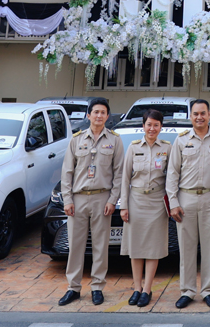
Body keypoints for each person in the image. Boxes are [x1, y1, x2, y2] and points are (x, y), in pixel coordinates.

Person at [166, 98, 210, 309]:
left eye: (203, 113)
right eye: (195, 114)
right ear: (190, 116)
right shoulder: (181, 140)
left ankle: (208, 291)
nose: (199, 117)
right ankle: (187, 290)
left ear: (209, 114)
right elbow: (172, 174)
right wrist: (173, 202)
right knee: (186, 247)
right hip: (186, 198)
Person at [58, 98, 124, 306]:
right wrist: (67, 200)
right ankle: (73, 287)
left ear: (107, 116)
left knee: (100, 245)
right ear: (88, 115)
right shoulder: (76, 140)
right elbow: (67, 172)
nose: (99, 116)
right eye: (95, 112)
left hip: (102, 198)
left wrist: (113, 200)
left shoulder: (115, 140)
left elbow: (119, 173)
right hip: (78, 199)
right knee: (76, 245)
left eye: (103, 112)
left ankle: (97, 287)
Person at [119, 109, 171, 308]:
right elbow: (125, 179)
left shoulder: (167, 147)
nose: (152, 128)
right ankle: (136, 288)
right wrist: (124, 206)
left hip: (157, 202)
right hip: (136, 200)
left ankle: (147, 289)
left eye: (156, 125)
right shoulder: (133, 147)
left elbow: (172, 176)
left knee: (153, 248)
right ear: (143, 125)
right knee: (136, 247)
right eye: (149, 124)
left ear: (160, 127)